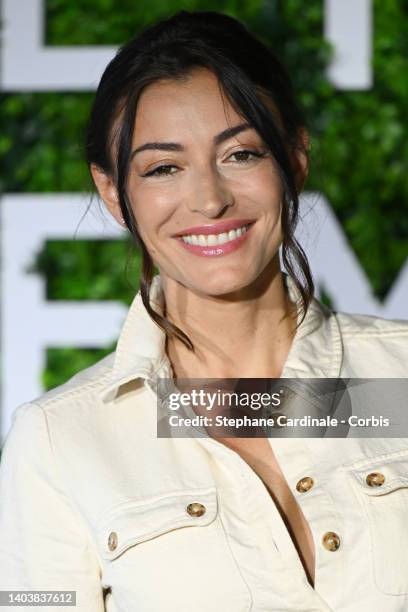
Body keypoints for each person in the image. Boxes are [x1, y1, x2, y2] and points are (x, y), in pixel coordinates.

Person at [1, 10, 408, 612]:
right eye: (163, 168)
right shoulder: (60, 442)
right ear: (115, 193)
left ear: (295, 158)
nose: (211, 200)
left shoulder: (397, 377)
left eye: (240, 154)